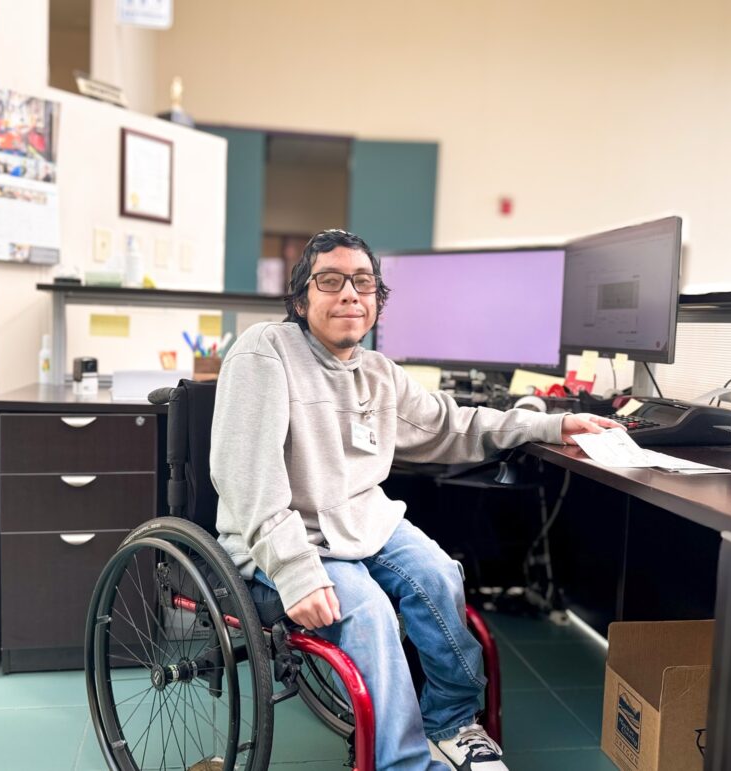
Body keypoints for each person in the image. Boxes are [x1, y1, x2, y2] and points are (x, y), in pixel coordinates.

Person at [210, 229, 620, 771]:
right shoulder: (266, 352)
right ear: (300, 298)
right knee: (370, 613)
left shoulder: (378, 372)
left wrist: (550, 423)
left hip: (363, 522)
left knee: (439, 575)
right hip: (289, 536)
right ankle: (403, 762)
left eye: (363, 282)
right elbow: (247, 478)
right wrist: (295, 570)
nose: (349, 294)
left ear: (377, 301)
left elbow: (451, 425)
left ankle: (449, 721)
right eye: (329, 281)